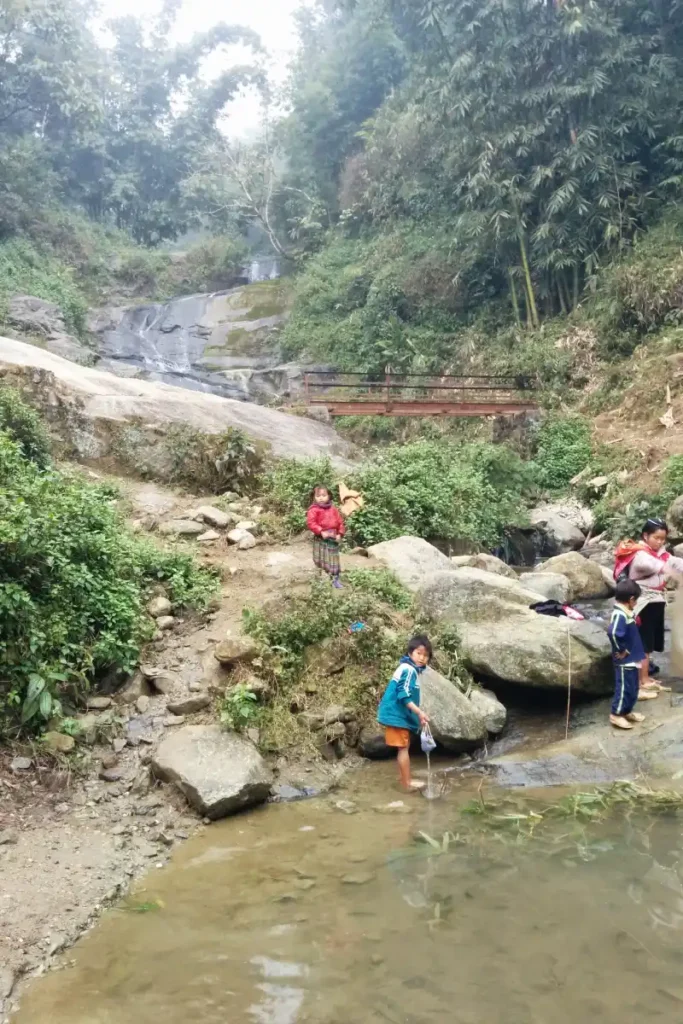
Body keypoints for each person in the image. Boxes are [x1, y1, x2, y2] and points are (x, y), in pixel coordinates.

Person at [616, 517, 683, 693]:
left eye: (663, 539)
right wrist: (671, 572)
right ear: (646, 536)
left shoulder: (661, 554)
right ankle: (643, 680)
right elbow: (650, 564)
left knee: (650, 642)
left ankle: (644, 676)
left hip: (656, 601)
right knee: (643, 642)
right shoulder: (639, 554)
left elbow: (676, 563)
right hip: (643, 602)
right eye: (656, 538)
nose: (660, 542)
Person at [377, 635, 432, 791]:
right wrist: (420, 713)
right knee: (403, 749)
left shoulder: (410, 669)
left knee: (404, 747)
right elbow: (403, 695)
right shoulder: (409, 670)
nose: (422, 658)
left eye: (426, 655)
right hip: (396, 715)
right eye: (419, 653)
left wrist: (416, 716)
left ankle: (404, 779)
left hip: (397, 715)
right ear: (410, 653)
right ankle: (407, 783)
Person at [607, 579, 647, 730]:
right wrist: (621, 650)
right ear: (631, 599)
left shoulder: (626, 612)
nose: (636, 603)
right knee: (624, 687)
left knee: (633, 687)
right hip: (625, 660)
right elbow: (614, 633)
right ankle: (616, 714)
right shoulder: (619, 615)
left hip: (633, 657)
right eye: (636, 600)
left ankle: (627, 710)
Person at [306, 484, 345, 588]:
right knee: (322, 559)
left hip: (333, 537)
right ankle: (321, 579)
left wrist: (340, 533)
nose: (321, 498)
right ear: (314, 497)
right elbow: (311, 523)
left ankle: (335, 580)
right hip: (321, 538)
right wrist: (320, 531)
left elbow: (340, 522)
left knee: (334, 559)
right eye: (318, 496)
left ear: (329, 496)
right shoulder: (313, 510)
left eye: (324, 495)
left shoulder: (333, 509)